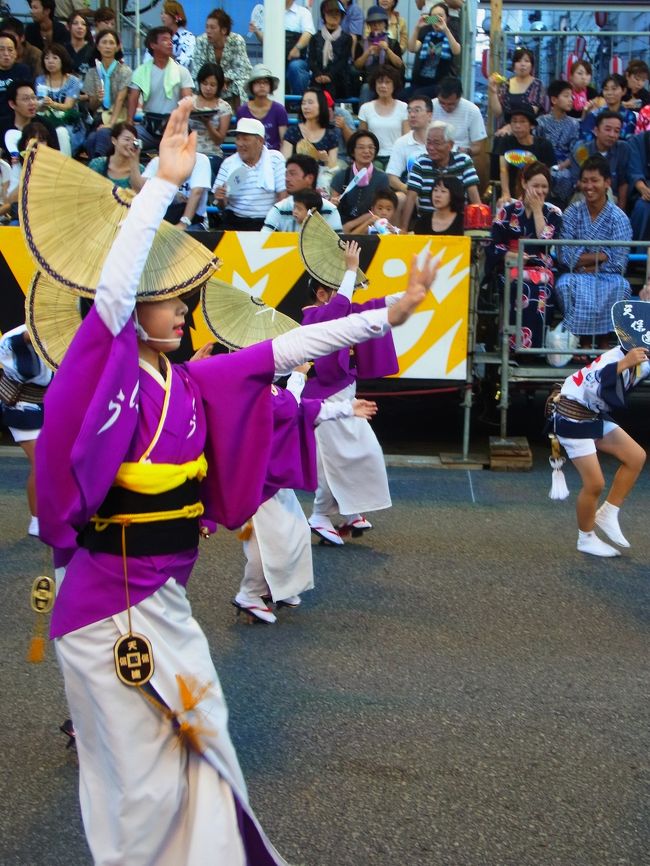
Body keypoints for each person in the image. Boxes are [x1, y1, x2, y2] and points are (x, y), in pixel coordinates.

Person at [34, 96, 437, 866]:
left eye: (181, 299)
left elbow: (291, 349)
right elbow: (114, 293)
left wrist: (390, 313)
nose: (181, 310)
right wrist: (161, 183)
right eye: (166, 299)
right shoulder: (105, 373)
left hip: (164, 598)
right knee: (141, 774)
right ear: (129, 313)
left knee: (206, 740)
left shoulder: (194, 383)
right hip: (103, 607)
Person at [233, 363, 378, 623]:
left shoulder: (266, 390)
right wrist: (299, 376)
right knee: (265, 541)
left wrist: (347, 408)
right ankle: (250, 594)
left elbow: (300, 408)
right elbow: (290, 407)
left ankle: (278, 587)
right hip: (254, 484)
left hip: (272, 478)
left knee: (295, 533)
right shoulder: (245, 394)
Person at [302, 239, 407, 545]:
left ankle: (350, 513)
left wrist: (414, 293)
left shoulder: (342, 311)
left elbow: (378, 307)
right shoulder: (313, 317)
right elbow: (338, 309)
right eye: (338, 289)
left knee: (364, 452)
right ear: (321, 294)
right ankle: (319, 516)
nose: (346, 297)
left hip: (347, 399)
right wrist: (350, 270)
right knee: (332, 462)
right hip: (324, 402)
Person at [548, 343, 648, 558]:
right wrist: (624, 363)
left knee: (636, 456)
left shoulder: (642, 359)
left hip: (591, 415)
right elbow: (593, 379)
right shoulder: (617, 355)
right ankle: (586, 538)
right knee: (595, 484)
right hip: (572, 416)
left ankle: (608, 512)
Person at [555, 155, 632, 354]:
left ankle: (605, 340)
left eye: (595, 180)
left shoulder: (619, 217)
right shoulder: (572, 213)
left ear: (607, 183)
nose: (589, 186)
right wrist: (601, 255)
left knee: (621, 286)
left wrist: (583, 261)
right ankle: (584, 340)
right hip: (576, 275)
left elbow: (618, 263)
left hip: (607, 276)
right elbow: (565, 257)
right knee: (565, 285)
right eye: (585, 181)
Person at [488, 161, 562, 351]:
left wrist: (537, 211)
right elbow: (495, 243)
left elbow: (546, 241)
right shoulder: (507, 211)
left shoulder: (553, 213)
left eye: (544, 187)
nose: (540, 191)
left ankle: (535, 348)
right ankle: (512, 347)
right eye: (535, 186)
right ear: (524, 183)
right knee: (518, 287)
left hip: (541, 269)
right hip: (512, 267)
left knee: (540, 291)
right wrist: (509, 256)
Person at [0, 324, 52, 537]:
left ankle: (53, 512)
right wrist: (26, 340)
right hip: (22, 406)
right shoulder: (12, 338)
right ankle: (36, 520)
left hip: (50, 404)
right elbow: (25, 370)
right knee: (41, 463)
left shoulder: (62, 332)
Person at [400, 119, 480, 232]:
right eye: (428, 142)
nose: (431, 147)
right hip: (427, 223)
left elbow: (474, 196)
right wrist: (403, 228)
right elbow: (411, 196)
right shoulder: (421, 163)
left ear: (450, 145)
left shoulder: (463, 161)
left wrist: (479, 224)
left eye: (437, 143)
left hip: (457, 223)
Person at [214, 116, 287, 230]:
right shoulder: (228, 163)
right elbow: (221, 206)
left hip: (268, 221)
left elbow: (282, 196)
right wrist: (220, 198)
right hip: (235, 221)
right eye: (238, 139)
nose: (240, 143)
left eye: (245, 139)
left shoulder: (275, 159)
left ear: (260, 141)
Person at [127, 26, 193, 151]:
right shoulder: (140, 72)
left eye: (171, 40)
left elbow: (187, 102)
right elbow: (133, 100)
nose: (170, 43)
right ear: (153, 45)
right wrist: (129, 125)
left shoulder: (182, 71)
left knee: (185, 141)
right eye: (164, 40)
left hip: (174, 128)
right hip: (148, 130)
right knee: (128, 142)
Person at [82, 28, 132, 158]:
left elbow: (120, 99)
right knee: (90, 141)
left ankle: (99, 165)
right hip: (99, 118)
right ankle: (100, 166)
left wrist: (110, 124)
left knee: (102, 135)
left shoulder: (124, 71)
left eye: (111, 43)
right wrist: (97, 99)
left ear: (117, 47)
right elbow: (92, 107)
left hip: (118, 117)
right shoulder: (92, 72)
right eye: (104, 42)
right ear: (98, 46)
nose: (108, 46)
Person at [263, 153, 342, 233]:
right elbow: (264, 239)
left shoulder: (329, 210)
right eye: (286, 174)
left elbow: (337, 240)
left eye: (292, 174)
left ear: (310, 178)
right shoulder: (280, 209)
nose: (287, 179)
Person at [329, 129, 390, 232]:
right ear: (352, 151)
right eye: (361, 147)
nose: (366, 151)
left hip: (371, 226)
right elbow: (333, 207)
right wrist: (332, 204)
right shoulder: (341, 176)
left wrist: (355, 224)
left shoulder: (382, 178)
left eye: (371, 147)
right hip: (343, 225)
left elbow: (382, 209)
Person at [495, 106, 555, 206]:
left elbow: (547, 175)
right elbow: (503, 169)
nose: (517, 126)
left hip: (538, 193)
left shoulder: (544, 145)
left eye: (522, 121)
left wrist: (531, 194)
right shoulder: (505, 142)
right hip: (512, 193)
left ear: (531, 125)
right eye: (514, 121)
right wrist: (505, 193)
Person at [190, 9, 251, 107]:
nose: (208, 31)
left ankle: (238, 114)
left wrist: (224, 80)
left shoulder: (237, 41)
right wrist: (216, 81)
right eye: (207, 27)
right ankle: (201, 111)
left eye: (212, 27)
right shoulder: (201, 40)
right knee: (195, 84)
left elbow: (243, 69)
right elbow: (198, 69)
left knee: (240, 85)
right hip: (207, 80)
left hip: (229, 82)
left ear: (224, 30)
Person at [569, 110, 629, 210]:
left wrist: (622, 211)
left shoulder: (623, 149)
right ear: (596, 131)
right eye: (608, 129)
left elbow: (623, 183)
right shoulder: (582, 150)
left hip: (612, 199)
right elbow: (577, 181)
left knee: (607, 190)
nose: (612, 135)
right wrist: (597, 185)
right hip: (584, 194)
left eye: (616, 131)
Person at [535, 79, 579, 208]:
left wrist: (562, 165)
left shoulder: (574, 124)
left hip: (565, 165)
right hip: (542, 163)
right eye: (566, 96)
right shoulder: (541, 121)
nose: (570, 100)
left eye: (571, 96)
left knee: (565, 176)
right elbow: (535, 145)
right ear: (554, 100)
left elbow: (575, 151)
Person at [35, 42, 85, 154]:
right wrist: (41, 105)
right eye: (47, 58)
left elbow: (68, 106)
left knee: (62, 133)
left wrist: (52, 104)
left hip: (69, 123)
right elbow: (38, 105)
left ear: (63, 60)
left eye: (55, 58)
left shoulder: (73, 81)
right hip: (45, 121)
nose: (50, 61)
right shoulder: (40, 80)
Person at [357, 64, 408, 170]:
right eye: (380, 82)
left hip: (396, 157)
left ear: (394, 85)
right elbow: (361, 137)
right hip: (373, 157)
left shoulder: (404, 107)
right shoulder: (366, 108)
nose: (383, 86)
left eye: (387, 82)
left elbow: (406, 138)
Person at [406, 2, 459, 99]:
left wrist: (445, 29)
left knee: (417, 95)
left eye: (440, 16)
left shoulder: (450, 35)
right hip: (420, 81)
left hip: (440, 84)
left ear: (447, 18)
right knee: (402, 95)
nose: (437, 19)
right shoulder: (425, 32)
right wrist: (417, 28)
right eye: (434, 17)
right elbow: (412, 48)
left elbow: (456, 51)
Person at [189, 62, 232, 181]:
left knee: (205, 169)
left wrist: (207, 123)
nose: (208, 88)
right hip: (189, 152)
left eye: (213, 85)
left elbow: (219, 140)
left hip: (211, 153)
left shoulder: (224, 107)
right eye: (205, 83)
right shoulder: (189, 102)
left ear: (219, 86)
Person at [353, 5, 403, 105]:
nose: (376, 26)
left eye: (380, 23)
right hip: (368, 80)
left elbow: (399, 64)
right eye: (373, 23)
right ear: (369, 25)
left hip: (388, 79)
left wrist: (387, 49)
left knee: (388, 86)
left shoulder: (393, 43)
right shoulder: (361, 44)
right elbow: (357, 65)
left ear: (385, 24)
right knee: (366, 88)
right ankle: (364, 113)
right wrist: (367, 52)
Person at [488, 47, 545, 133]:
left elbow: (532, 111)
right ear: (513, 65)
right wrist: (493, 92)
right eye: (518, 61)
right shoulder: (506, 84)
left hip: (528, 133)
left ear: (532, 66)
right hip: (505, 132)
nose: (522, 64)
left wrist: (511, 127)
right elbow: (498, 112)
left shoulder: (537, 84)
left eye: (527, 61)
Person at [385, 93, 431, 199]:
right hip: (412, 193)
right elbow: (392, 177)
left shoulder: (441, 139)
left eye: (417, 110)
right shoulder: (402, 142)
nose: (412, 115)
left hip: (439, 191)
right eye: (409, 111)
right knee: (399, 198)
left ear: (429, 115)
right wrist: (411, 191)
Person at [281, 87, 339, 172]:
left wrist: (326, 160)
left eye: (310, 102)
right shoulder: (292, 132)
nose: (305, 107)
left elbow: (333, 170)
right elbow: (284, 163)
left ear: (321, 105)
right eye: (303, 103)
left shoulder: (331, 136)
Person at [236, 64, 288, 153]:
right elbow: (240, 140)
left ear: (270, 86)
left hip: (273, 156)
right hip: (249, 156)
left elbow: (284, 142)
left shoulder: (279, 110)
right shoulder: (242, 111)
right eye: (257, 82)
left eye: (266, 82)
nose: (262, 85)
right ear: (251, 86)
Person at [308, 0, 354, 99]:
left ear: (341, 16)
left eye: (337, 13)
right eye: (330, 13)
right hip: (318, 78)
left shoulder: (347, 38)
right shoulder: (315, 38)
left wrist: (329, 76)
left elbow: (343, 61)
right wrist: (318, 74)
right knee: (315, 91)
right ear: (323, 15)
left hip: (338, 80)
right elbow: (311, 60)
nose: (334, 16)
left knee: (329, 88)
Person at [87, 121, 145, 191]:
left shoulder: (140, 170)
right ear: (114, 140)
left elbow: (141, 193)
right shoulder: (98, 165)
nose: (131, 144)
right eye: (127, 139)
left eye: (134, 141)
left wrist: (135, 160)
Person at [580, 73, 637, 143]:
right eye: (606, 89)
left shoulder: (630, 116)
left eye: (614, 89)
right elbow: (585, 140)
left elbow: (629, 142)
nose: (609, 93)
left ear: (624, 91)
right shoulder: (594, 115)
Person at [0, 32, 32, 146]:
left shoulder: (23, 70)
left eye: (10, 50)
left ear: (16, 53)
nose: (6, 54)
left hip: (17, 119)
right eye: (1, 49)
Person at [623, 129, 650, 241]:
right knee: (642, 207)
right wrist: (644, 189)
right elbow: (634, 171)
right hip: (642, 192)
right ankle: (638, 249)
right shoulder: (637, 141)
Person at [160, 1, 195, 70]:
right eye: (161, 13)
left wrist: (168, 56)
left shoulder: (188, 37)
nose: (162, 16)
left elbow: (185, 63)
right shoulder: (159, 37)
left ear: (175, 16)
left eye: (165, 13)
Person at [63, 10, 93, 79]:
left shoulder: (92, 50)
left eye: (83, 24)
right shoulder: (63, 50)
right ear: (68, 27)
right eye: (75, 23)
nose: (80, 27)